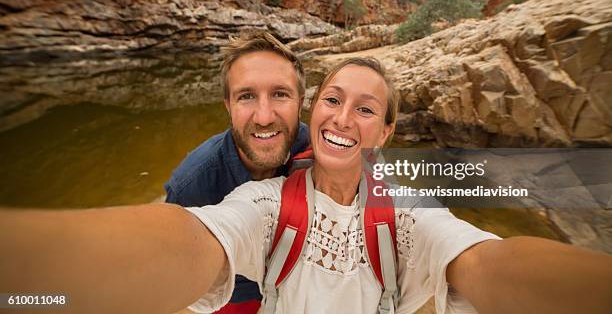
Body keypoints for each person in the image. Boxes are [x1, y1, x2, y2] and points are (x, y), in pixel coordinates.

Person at [1, 59, 611, 314]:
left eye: (365, 110)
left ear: (388, 132)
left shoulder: (409, 213)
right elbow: (185, 239)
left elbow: (489, 263)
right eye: (333, 100)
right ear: (313, 113)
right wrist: (29, 283)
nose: (343, 119)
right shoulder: (259, 202)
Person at [164, 31, 310, 310]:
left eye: (280, 94)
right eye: (246, 96)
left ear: (300, 103)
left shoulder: (323, 150)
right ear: (228, 107)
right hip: (237, 296)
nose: (265, 117)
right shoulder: (191, 186)